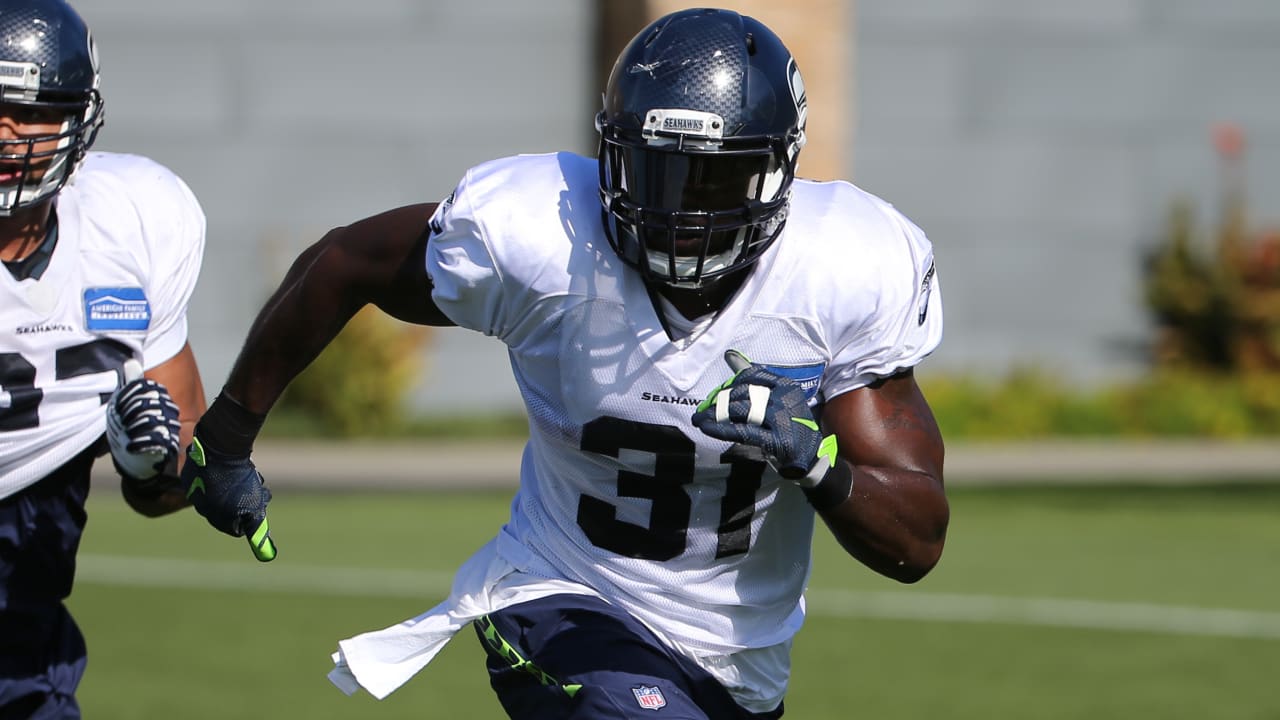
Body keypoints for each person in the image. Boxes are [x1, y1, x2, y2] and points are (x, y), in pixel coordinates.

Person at [181, 7, 947, 718]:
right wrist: (227, 433)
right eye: (654, 172)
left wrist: (819, 467)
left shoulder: (844, 269)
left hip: (739, 661)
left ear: (778, 174)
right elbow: (347, 260)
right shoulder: (538, 233)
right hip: (558, 592)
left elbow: (916, 543)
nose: (680, 211)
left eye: (712, 179)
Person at [0, 0, 208, 716]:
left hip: (26, 574)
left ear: (77, 119)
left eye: (32, 110)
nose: (6, 133)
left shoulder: (135, 217)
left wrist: (149, 460)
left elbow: (181, 470)